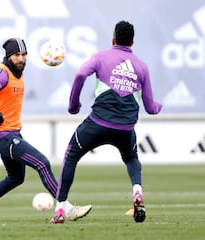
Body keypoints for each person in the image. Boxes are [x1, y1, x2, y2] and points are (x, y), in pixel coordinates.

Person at [0, 38, 92, 222]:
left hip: (12, 133)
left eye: (24, 54)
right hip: (1, 135)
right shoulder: (1, 72)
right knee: (42, 163)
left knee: (16, 177)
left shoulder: (18, 73)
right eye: (17, 55)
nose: (21, 59)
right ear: (8, 56)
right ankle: (65, 208)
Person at [51, 20, 163, 224]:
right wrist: (158, 106)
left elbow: (80, 74)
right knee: (131, 158)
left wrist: (73, 105)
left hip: (97, 124)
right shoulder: (141, 66)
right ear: (132, 43)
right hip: (126, 128)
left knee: (71, 156)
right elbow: (150, 107)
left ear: (113, 39)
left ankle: (59, 210)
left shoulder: (100, 57)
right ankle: (137, 191)